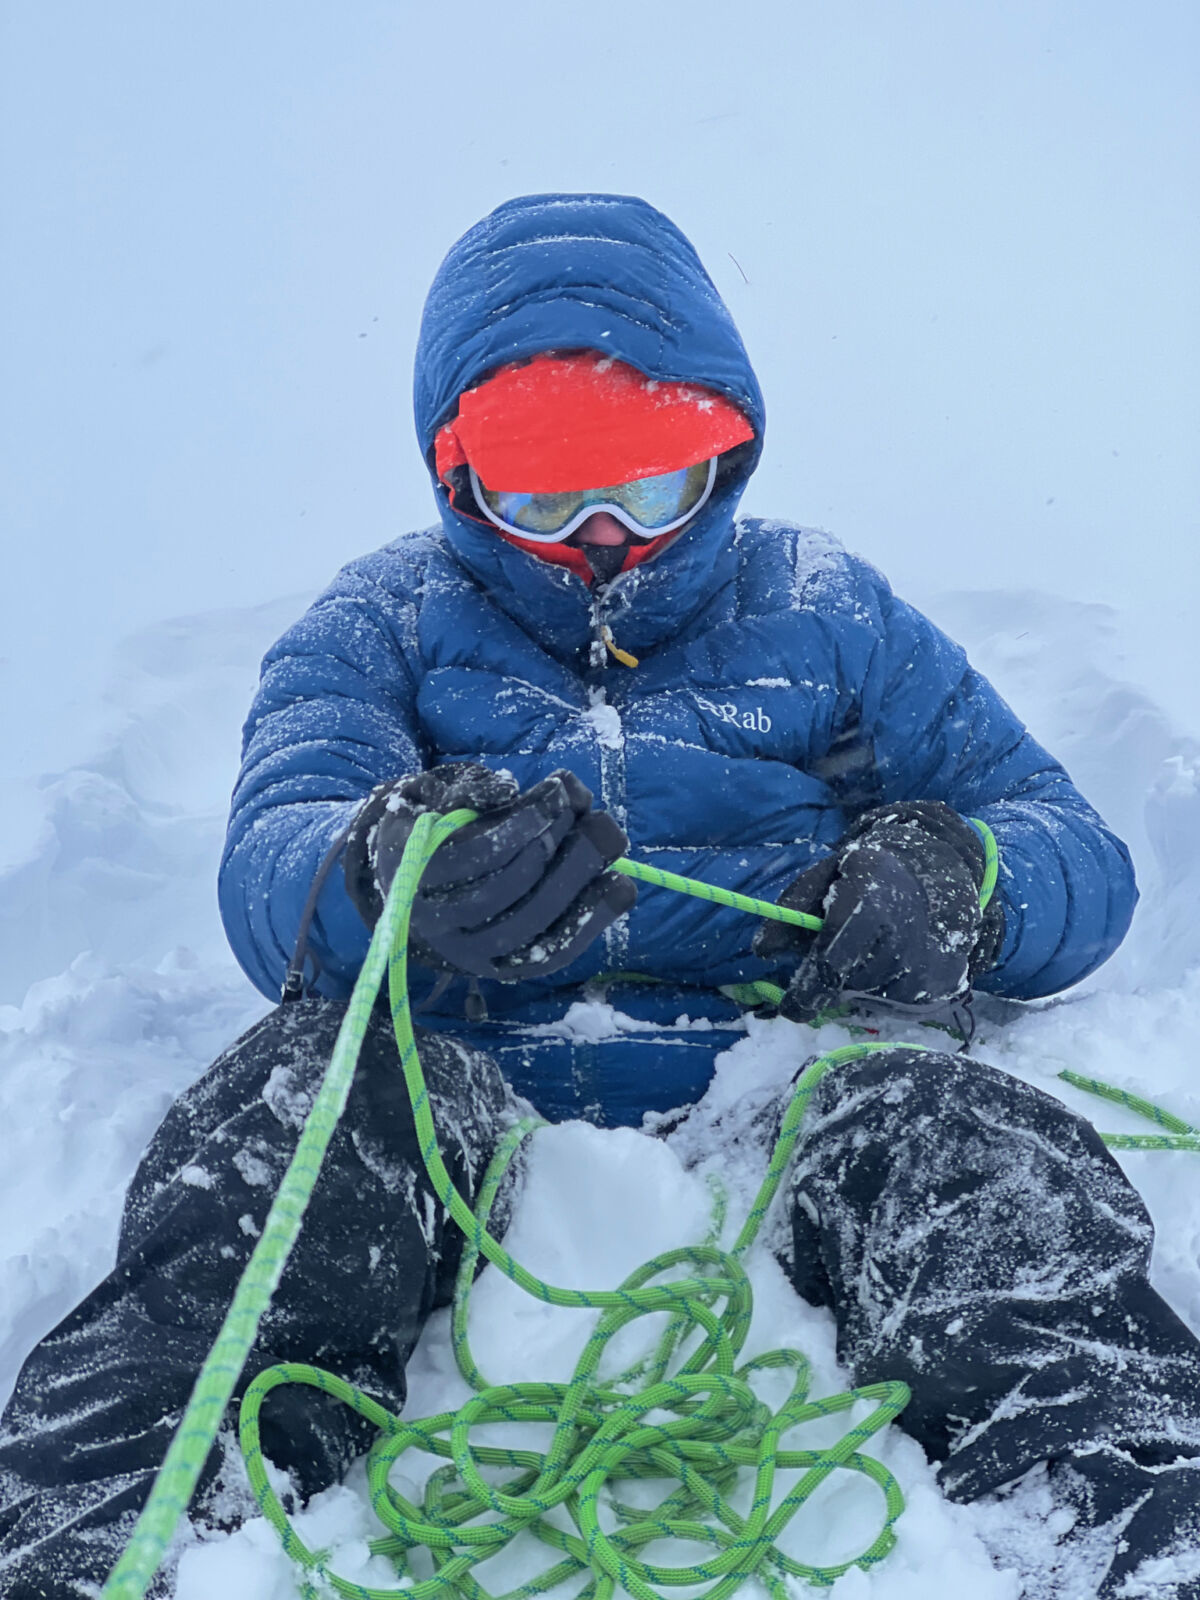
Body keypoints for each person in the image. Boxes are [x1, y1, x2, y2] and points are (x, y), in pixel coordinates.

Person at [2, 192, 1198, 1600]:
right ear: (456, 481)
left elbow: (1070, 846)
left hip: (789, 1083)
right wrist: (383, 869)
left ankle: (1143, 1532)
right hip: (461, 1101)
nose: (606, 541)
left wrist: (964, 882)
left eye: (653, 481)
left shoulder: (828, 607)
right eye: (544, 493)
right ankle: (100, 1554)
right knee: (292, 1129)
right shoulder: (379, 621)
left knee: (969, 1154)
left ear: (731, 448)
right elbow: (277, 854)